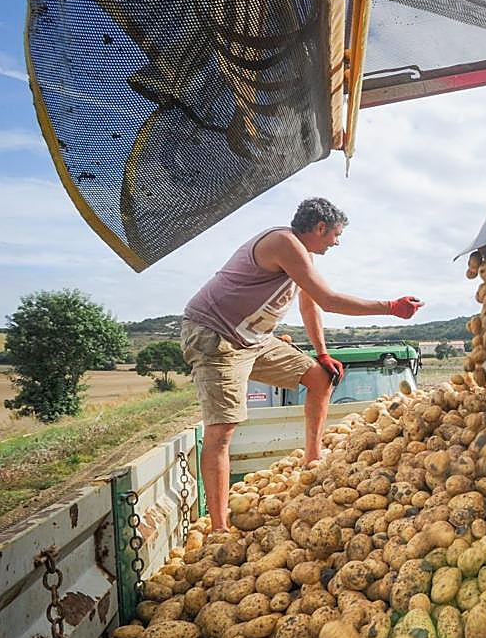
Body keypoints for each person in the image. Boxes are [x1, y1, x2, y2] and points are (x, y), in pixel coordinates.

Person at [180, 197, 423, 530]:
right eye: (336, 235)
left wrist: (322, 354)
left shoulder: (303, 256)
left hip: (253, 338)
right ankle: (219, 528)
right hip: (215, 336)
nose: (336, 242)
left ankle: (312, 459)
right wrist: (391, 306)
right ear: (321, 228)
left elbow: (311, 306)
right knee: (222, 431)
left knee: (320, 378)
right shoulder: (283, 243)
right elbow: (329, 300)